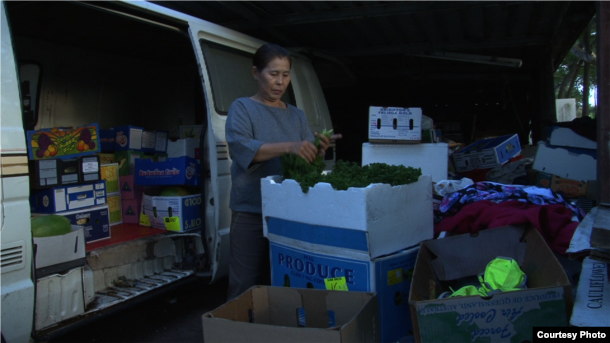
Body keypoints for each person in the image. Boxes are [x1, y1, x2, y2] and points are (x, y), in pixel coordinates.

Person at [224, 43, 340, 300]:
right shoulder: (242, 108)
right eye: (273, 74)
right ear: (256, 73)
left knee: (282, 279)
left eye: (285, 75)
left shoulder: (297, 116)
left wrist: (318, 149)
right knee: (244, 282)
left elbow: (307, 165)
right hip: (251, 210)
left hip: (290, 212)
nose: (280, 82)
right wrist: (290, 146)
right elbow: (243, 149)